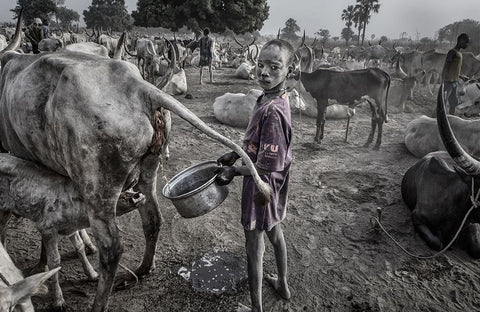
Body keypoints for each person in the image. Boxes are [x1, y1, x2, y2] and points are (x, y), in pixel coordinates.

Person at [215, 39, 296, 312]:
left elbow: (264, 167)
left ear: (289, 69)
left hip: (262, 187)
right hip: (273, 182)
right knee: (275, 231)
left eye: (274, 67)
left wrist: (233, 170)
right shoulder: (267, 97)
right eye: (261, 65)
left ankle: (256, 309)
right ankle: (283, 285)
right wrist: (236, 153)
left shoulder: (274, 111)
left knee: (254, 246)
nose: (264, 72)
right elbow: (255, 139)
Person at [441, 33, 470, 115]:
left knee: (453, 104)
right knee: (444, 102)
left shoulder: (460, 53)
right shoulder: (452, 52)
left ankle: (451, 119)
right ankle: (438, 119)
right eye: (466, 42)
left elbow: (455, 69)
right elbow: (446, 67)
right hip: (448, 82)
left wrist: (461, 76)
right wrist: (442, 81)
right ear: (461, 40)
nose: (467, 45)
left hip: (455, 82)